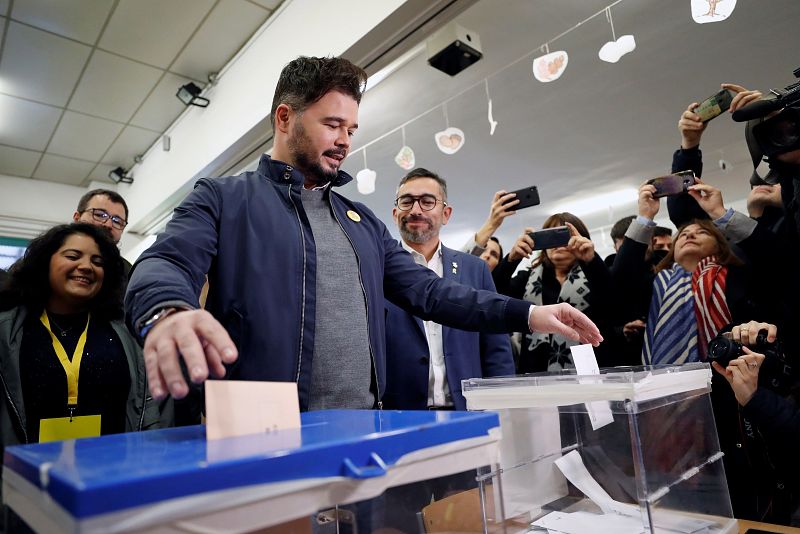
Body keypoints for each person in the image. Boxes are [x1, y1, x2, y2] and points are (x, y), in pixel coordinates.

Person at [125, 56, 601, 411]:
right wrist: (168, 310)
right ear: (285, 118)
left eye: (351, 128)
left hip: (363, 428)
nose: (345, 141)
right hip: (263, 429)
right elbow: (166, 261)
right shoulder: (224, 198)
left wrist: (531, 313)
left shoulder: (363, 225)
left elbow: (433, 293)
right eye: (332, 124)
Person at [0, 223, 170, 526]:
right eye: (73, 255)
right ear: (45, 262)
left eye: (97, 261)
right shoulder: (6, 331)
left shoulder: (128, 333)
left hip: (111, 489)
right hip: (25, 490)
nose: (86, 266)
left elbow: (149, 412)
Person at [383, 168, 514, 411]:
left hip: (467, 410)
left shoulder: (474, 270)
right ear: (394, 213)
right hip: (399, 415)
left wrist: (502, 407)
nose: (415, 209)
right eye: (406, 201)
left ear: (446, 213)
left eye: (427, 201)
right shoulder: (377, 270)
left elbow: (496, 349)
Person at [493, 213, 611, 372]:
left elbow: (614, 305)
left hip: (590, 367)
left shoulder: (595, 272)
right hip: (535, 370)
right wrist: (511, 260)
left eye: (563, 236)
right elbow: (494, 295)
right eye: (550, 236)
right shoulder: (527, 278)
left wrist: (591, 260)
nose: (558, 244)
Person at [72, 189, 133, 277]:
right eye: (100, 215)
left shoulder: (128, 273)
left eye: (117, 221)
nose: (108, 224)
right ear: (77, 218)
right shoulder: (48, 254)